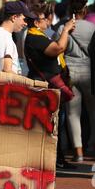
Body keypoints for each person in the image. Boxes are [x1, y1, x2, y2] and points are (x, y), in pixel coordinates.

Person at [25, 9, 75, 169]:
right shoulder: (34, 38)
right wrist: (66, 30)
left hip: (49, 83)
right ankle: (51, 159)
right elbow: (58, 48)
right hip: (46, 84)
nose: (47, 22)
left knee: (57, 122)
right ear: (36, 22)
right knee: (52, 123)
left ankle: (57, 157)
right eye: (44, 19)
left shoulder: (39, 36)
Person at [57, 0, 95, 161]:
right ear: (85, 9)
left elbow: (57, 48)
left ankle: (78, 152)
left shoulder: (63, 27)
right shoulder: (92, 28)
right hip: (90, 72)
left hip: (70, 73)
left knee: (73, 114)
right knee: (94, 111)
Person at [0, 1, 33, 74]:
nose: (26, 23)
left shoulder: (3, 34)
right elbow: (7, 70)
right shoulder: (4, 36)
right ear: (14, 17)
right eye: (25, 19)